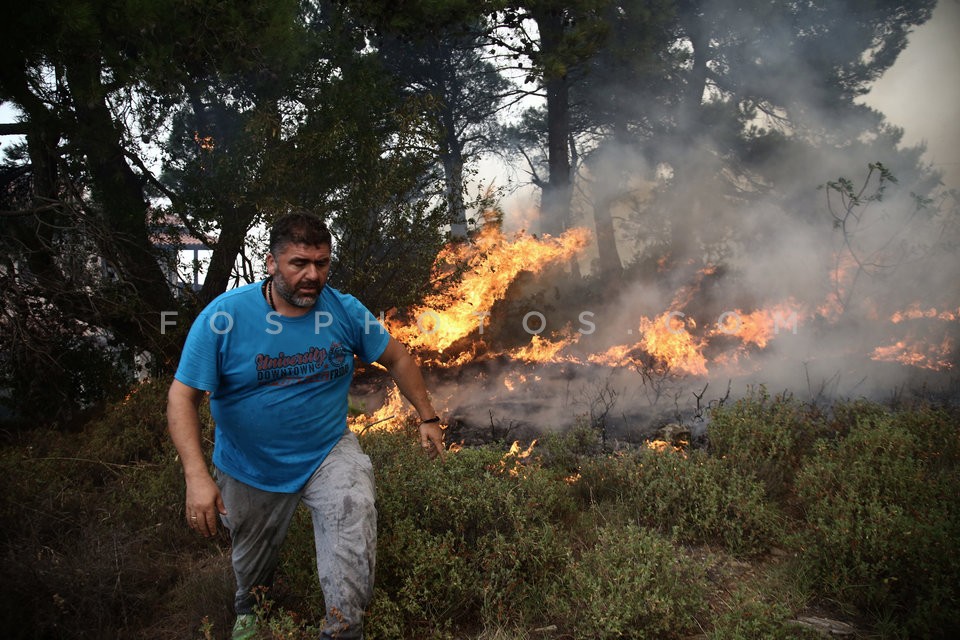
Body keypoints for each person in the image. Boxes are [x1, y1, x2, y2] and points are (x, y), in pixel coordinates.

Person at [166, 212, 444, 640]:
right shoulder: (224, 318)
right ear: (272, 262)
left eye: (322, 262)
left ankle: (343, 626)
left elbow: (399, 358)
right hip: (248, 465)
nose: (313, 275)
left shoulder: (344, 310)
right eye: (299, 263)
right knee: (253, 570)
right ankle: (251, 608)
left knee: (355, 511)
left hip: (327, 451)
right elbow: (182, 397)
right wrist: (196, 477)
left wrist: (428, 417)